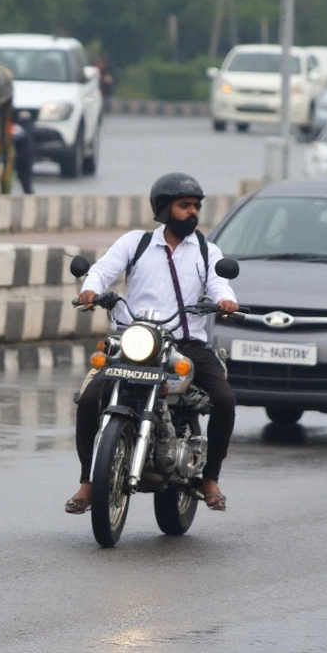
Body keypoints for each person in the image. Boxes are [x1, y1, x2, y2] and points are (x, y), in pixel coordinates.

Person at [67, 173, 239, 513]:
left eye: (196, 207)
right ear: (163, 208)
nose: (193, 212)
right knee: (88, 400)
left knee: (225, 400)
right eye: (184, 206)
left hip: (186, 344)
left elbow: (220, 285)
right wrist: (90, 290)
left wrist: (226, 301)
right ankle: (88, 482)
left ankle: (210, 478)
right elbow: (102, 271)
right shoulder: (136, 243)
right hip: (134, 342)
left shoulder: (206, 250)